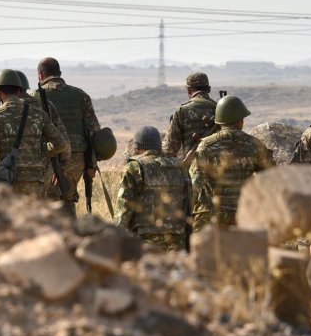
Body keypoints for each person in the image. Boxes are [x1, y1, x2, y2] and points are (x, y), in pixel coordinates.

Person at [0, 69, 69, 196]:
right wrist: (41, 153)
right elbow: (62, 144)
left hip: (7, 180)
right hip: (35, 181)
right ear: (19, 91)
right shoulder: (39, 114)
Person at [189, 95, 274, 230]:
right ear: (241, 120)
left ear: (219, 122)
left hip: (211, 216)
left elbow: (194, 184)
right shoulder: (255, 145)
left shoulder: (206, 146)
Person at [34, 57, 100, 210]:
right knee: (68, 199)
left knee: (47, 204)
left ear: (40, 75)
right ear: (60, 73)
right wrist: (91, 164)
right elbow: (93, 131)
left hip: (49, 159)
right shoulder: (81, 95)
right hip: (77, 159)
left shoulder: (35, 97)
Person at [114, 126, 190, 251]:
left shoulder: (134, 167)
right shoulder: (180, 167)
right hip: (176, 238)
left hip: (145, 239)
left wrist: (115, 238)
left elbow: (124, 209)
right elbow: (189, 204)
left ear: (137, 148)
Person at [15, 70, 71, 197]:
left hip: (13, 171)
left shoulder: (1, 111)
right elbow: (64, 142)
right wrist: (62, 166)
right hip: (42, 170)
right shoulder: (46, 105)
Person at [162, 72, 218, 161]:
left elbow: (169, 149)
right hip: (220, 166)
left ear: (189, 90)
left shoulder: (182, 110)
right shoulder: (219, 109)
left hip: (192, 166)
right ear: (209, 89)